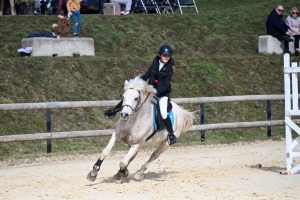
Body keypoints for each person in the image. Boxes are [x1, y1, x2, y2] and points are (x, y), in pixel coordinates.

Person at [104, 44, 178, 145]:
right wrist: (135, 83)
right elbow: (147, 75)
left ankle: (171, 134)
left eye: (168, 56)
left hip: (162, 93)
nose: (166, 57)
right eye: (164, 55)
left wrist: (156, 90)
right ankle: (114, 110)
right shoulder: (155, 62)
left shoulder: (169, 69)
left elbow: (166, 85)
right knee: (131, 96)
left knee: (164, 112)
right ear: (159, 55)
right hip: (149, 90)